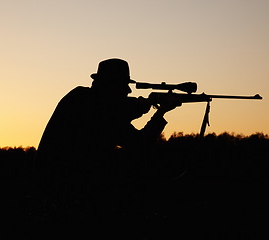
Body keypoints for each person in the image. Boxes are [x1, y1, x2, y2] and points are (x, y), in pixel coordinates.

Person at [34, 58, 181, 238]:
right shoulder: (92, 105)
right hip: (68, 197)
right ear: (111, 86)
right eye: (123, 86)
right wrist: (158, 111)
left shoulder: (79, 98)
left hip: (56, 193)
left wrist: (150, 107)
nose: (127, 91)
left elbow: (122, 117)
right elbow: (139, 143)